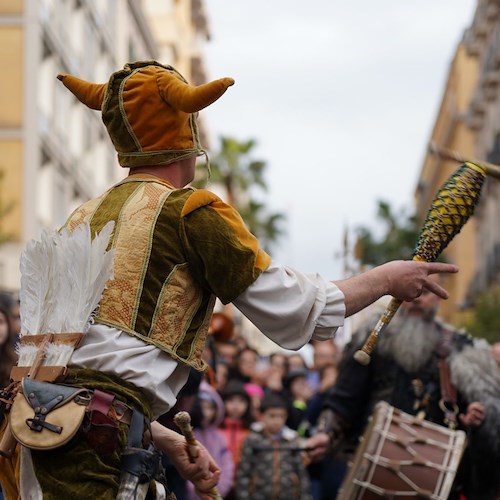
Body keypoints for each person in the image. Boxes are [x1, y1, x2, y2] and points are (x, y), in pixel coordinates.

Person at [0, 60, 458, 498]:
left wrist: (162, 437)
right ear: (189, 130)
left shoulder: (81, 219)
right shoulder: (191, 212)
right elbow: (299, 311)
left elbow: (76, 379)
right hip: (94, 457)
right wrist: (387, 278)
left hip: (38, 442)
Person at [307, 285, 500, 499]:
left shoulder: (459, 348)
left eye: (425, 293)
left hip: (436, 479)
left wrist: (473, 419)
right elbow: (344, 399)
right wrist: (325, 432)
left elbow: (476, 418)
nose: (417, 299)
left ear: (438, 298)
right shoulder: (372, 339)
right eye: (413, 293)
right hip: (371, 468)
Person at [236, 392, 311, 500]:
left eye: (281, 416)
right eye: (272, 416)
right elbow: (243, 473)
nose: (277, 421)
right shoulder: (252, 440)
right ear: (261, 416)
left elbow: (301, 473)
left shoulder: (291, 440)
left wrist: (304, 496)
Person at [186, 380, 234, 500]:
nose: (205, 412)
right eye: (202, 406)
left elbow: (227, 465)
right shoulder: (185, 434)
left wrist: (218, 489)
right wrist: (194, 490)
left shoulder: (218, 437)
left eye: (210, 408)